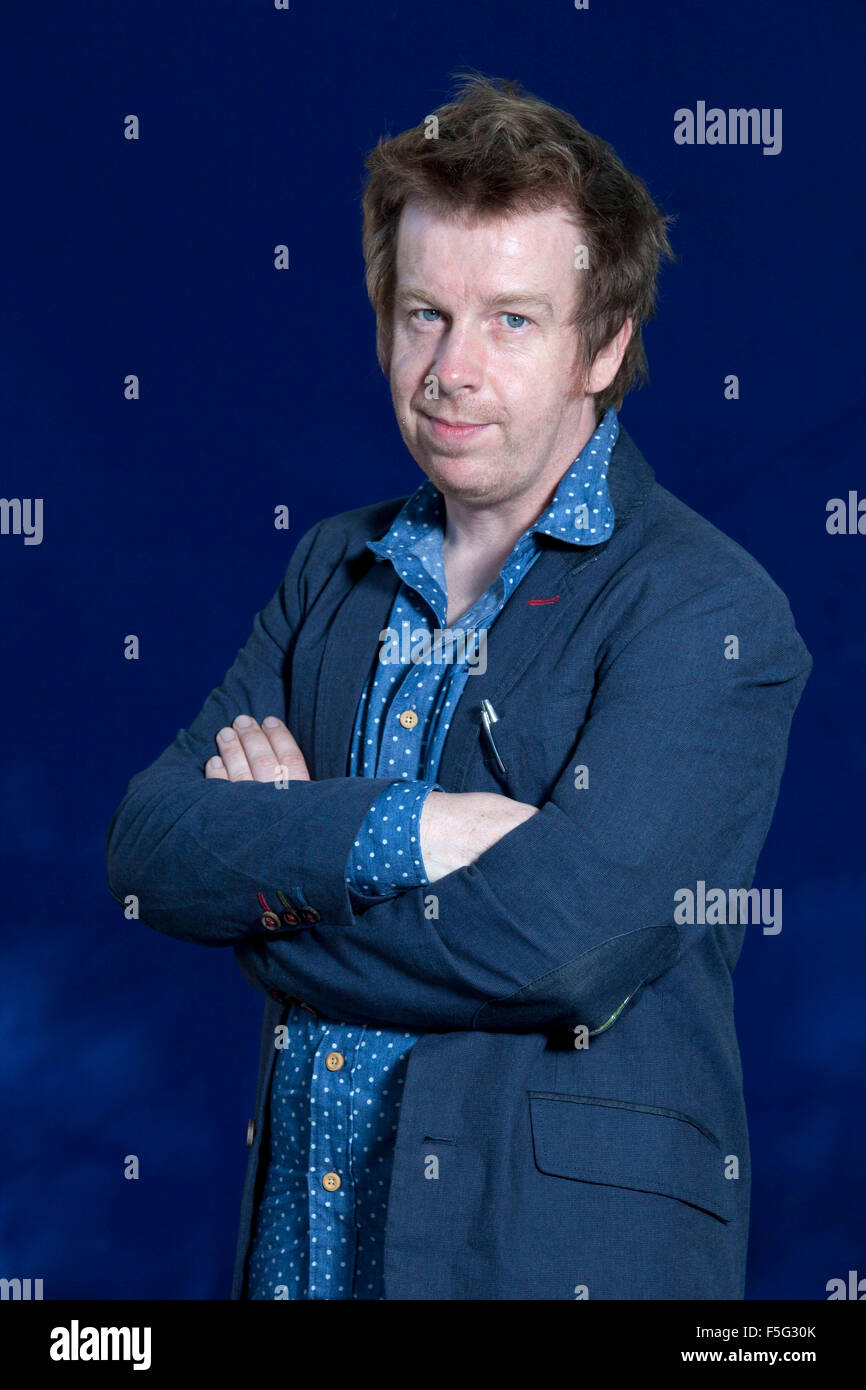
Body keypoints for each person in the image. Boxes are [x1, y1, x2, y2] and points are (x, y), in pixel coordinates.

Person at [106, 73, 812, 1300]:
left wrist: (271, 902)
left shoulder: (707, 609)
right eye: (423, 313)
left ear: (604, 345)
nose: (449, 368)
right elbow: (151, 846)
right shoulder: (335, 565)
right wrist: (416, 827)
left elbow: (560, 947)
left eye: (511, 321)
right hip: (297, 1266)